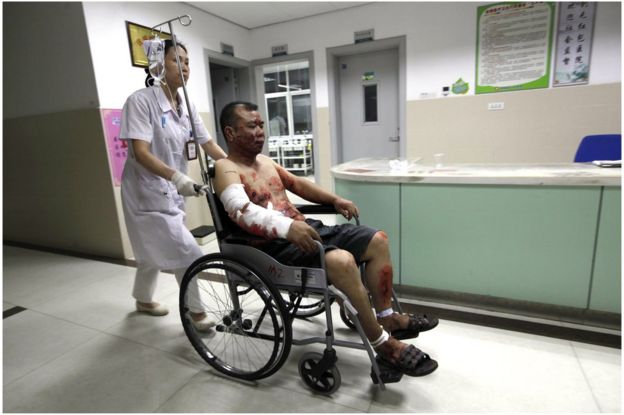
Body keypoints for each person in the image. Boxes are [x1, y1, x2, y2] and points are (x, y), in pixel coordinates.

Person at [213, 101, 439, 376]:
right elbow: (241, 210)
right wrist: (285, 227)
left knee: (378, 240)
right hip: (273, 247)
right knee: (343, 261)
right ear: (230, 132)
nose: (260, 131)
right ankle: (385, 346)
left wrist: (334, 199)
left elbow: (299, 185)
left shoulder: (265, 162)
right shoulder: (225, 167)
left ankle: (387, 317)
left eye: (261, 125)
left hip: (305, 229)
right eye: (251, 126)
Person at [120, 39, 227, 331]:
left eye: (187, 61)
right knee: (187, 251)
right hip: (146, 193)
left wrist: (232, 166)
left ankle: (142, 299)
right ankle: (197, 314)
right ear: (158, 65)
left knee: (150, 251)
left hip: (169, 192)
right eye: (175, 60)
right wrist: (177, 177)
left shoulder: (187, 105)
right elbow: (141, 153)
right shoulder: (140, 101)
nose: (185, 67)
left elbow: (207, 143)